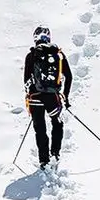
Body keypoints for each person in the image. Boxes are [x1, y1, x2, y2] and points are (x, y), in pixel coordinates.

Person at [24, 25, 72, 168]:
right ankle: (55, 154)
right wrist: (66, 96)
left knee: (40, 129)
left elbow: (26, 79)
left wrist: (30, 93)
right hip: (53, 97)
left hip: (35, 98)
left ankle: (43, 160)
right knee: (57, 123)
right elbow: (69, 76)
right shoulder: (58, 55)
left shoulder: (31, 55)